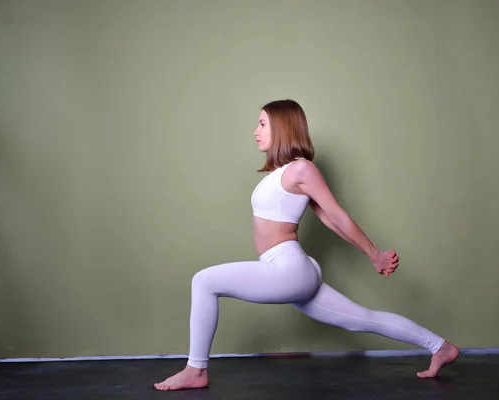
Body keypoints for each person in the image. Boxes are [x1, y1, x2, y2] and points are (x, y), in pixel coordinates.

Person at [154, 99, 459, 391]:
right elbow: (325, 217)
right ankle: (440, 347)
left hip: (289, 269)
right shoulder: (282, 173)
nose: (255, 131)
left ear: (283, 128)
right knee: (362, 319)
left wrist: (375, 255)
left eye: (262, 123)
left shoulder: (301, 169)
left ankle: (196, 370)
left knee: (204, 280)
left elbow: (336, 215)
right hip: (289, 269)